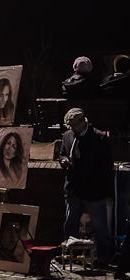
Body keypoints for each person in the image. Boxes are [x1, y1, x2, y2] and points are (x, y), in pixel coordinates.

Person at [59, 107, 115, 267]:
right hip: (73, 188)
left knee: (100, 225)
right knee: (70, 223)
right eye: (69, 126)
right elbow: (62, 153)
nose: (71, 130)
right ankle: (70, 254)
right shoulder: (68, 136)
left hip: (93, 190)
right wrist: (63, 161)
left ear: (83, 122)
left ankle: (105, 256)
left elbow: (106, 166)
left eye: (74, 126)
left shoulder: (99, 137)